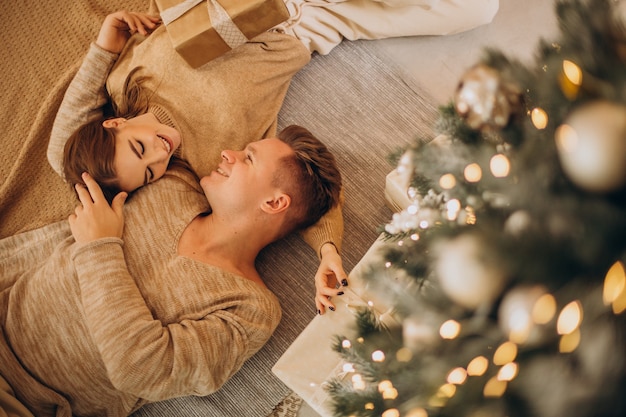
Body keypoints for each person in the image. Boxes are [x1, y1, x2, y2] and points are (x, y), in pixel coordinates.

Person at [0, 124, 343, 417]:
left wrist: (99, 248)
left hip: (21, 402)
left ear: (273, 203)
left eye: (248, 158)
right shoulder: (171, 181)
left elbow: (141, 369)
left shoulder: (250, 311)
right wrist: (329, 246)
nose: (228, 153)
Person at [49, 10, 347, 314]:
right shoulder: (207, 165)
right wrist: (328, 249)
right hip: (304, 24)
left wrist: (104, 45)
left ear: (114, 124)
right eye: (151, 172)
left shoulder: (123, 79)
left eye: (139, 148)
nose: (159, 153)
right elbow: (301, 184)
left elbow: (60, 153)